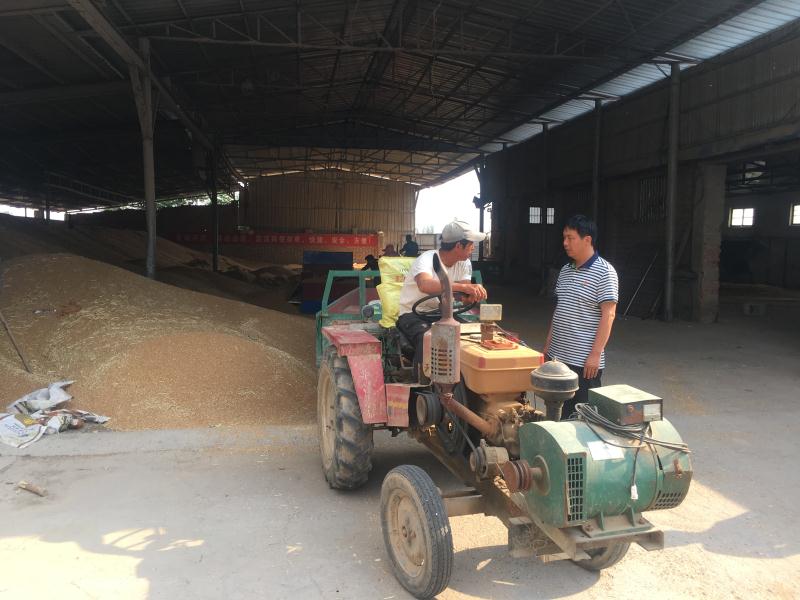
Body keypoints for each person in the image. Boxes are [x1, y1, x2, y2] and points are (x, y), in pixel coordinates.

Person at [543, 215, 618, 419]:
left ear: (587, 240)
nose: (565, 243)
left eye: (570, 238)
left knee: (581, 418)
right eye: (564, 238)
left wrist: (595, 354)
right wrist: (548, 345)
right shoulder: (566, 270)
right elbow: (560, 309)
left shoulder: (605, 272)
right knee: (557, 414)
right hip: (558, 357)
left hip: (584, 363)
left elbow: (609, 314)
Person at [396, 220, 488, 377]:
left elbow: (462, 293)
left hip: (444, 314)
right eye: (471, 244)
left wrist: (469, 296)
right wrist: (463, 287)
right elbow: (424, 284)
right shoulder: (427, 259)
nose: (473, 247)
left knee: (472, 336)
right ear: (458, 246)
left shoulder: (464, 263)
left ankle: (465, 377)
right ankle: (422, 384)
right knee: (429, 339)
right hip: (413, 315)